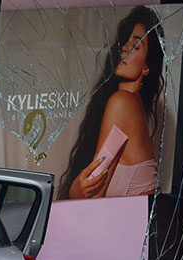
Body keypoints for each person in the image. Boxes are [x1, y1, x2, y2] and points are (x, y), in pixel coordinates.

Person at [59, 6, 164, 199]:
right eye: (125, 42)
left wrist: (75, 193)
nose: (125, 48)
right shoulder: (133, 107)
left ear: (147, 67)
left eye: (136, 46)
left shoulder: (122, 103)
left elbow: (93, 194)